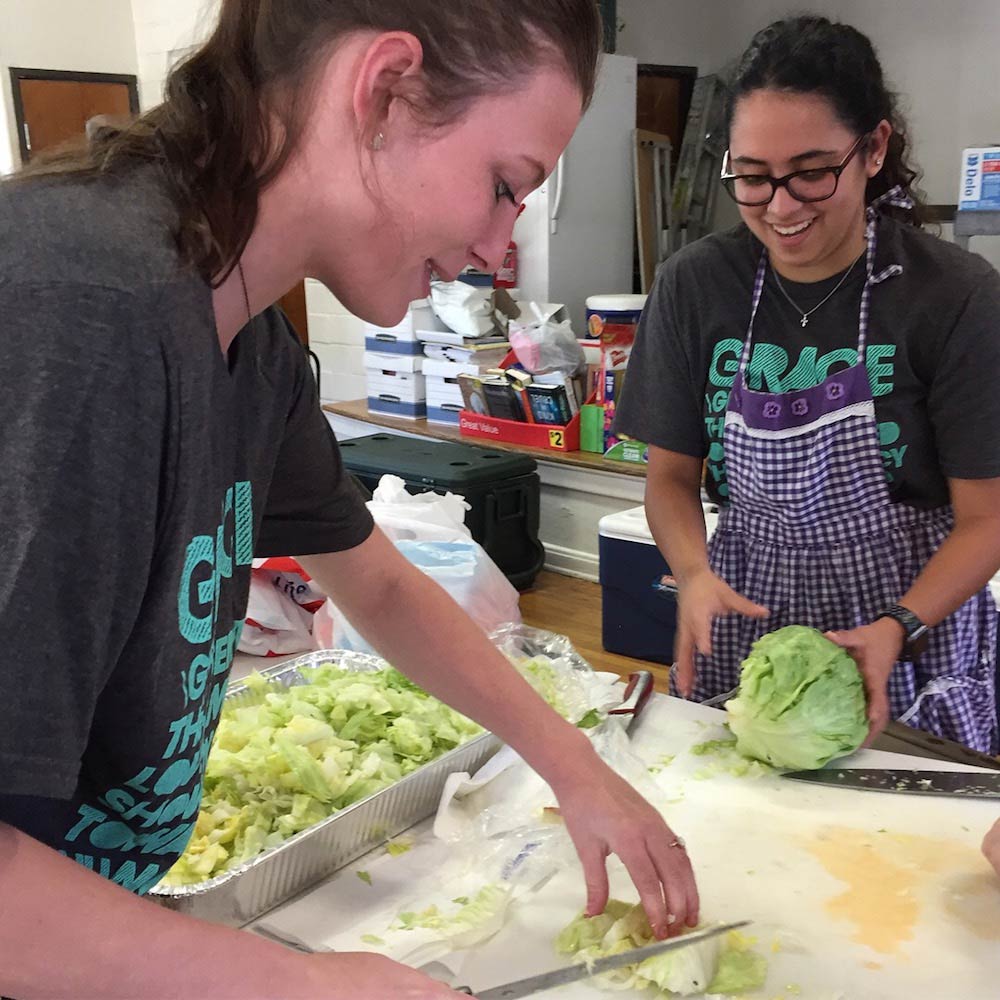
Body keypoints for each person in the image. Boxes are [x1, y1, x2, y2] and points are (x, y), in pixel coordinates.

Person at [0, 3, 699, 997]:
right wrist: (300, 986)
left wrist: (574, 766)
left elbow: (381, 585)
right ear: (384, 89)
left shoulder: (250, 342)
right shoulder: (82, 312)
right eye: (504, 189)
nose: (500, 251)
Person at [615, 15, 1000, 755]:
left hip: (910, 631)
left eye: (812, 172)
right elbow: (669, 479)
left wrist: (899, 624)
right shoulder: (696, 286)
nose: (781, 207)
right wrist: (693, 574)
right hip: (744, 623)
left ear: (874, 149)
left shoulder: (953, 296)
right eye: (753, 177)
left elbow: (986, 518)